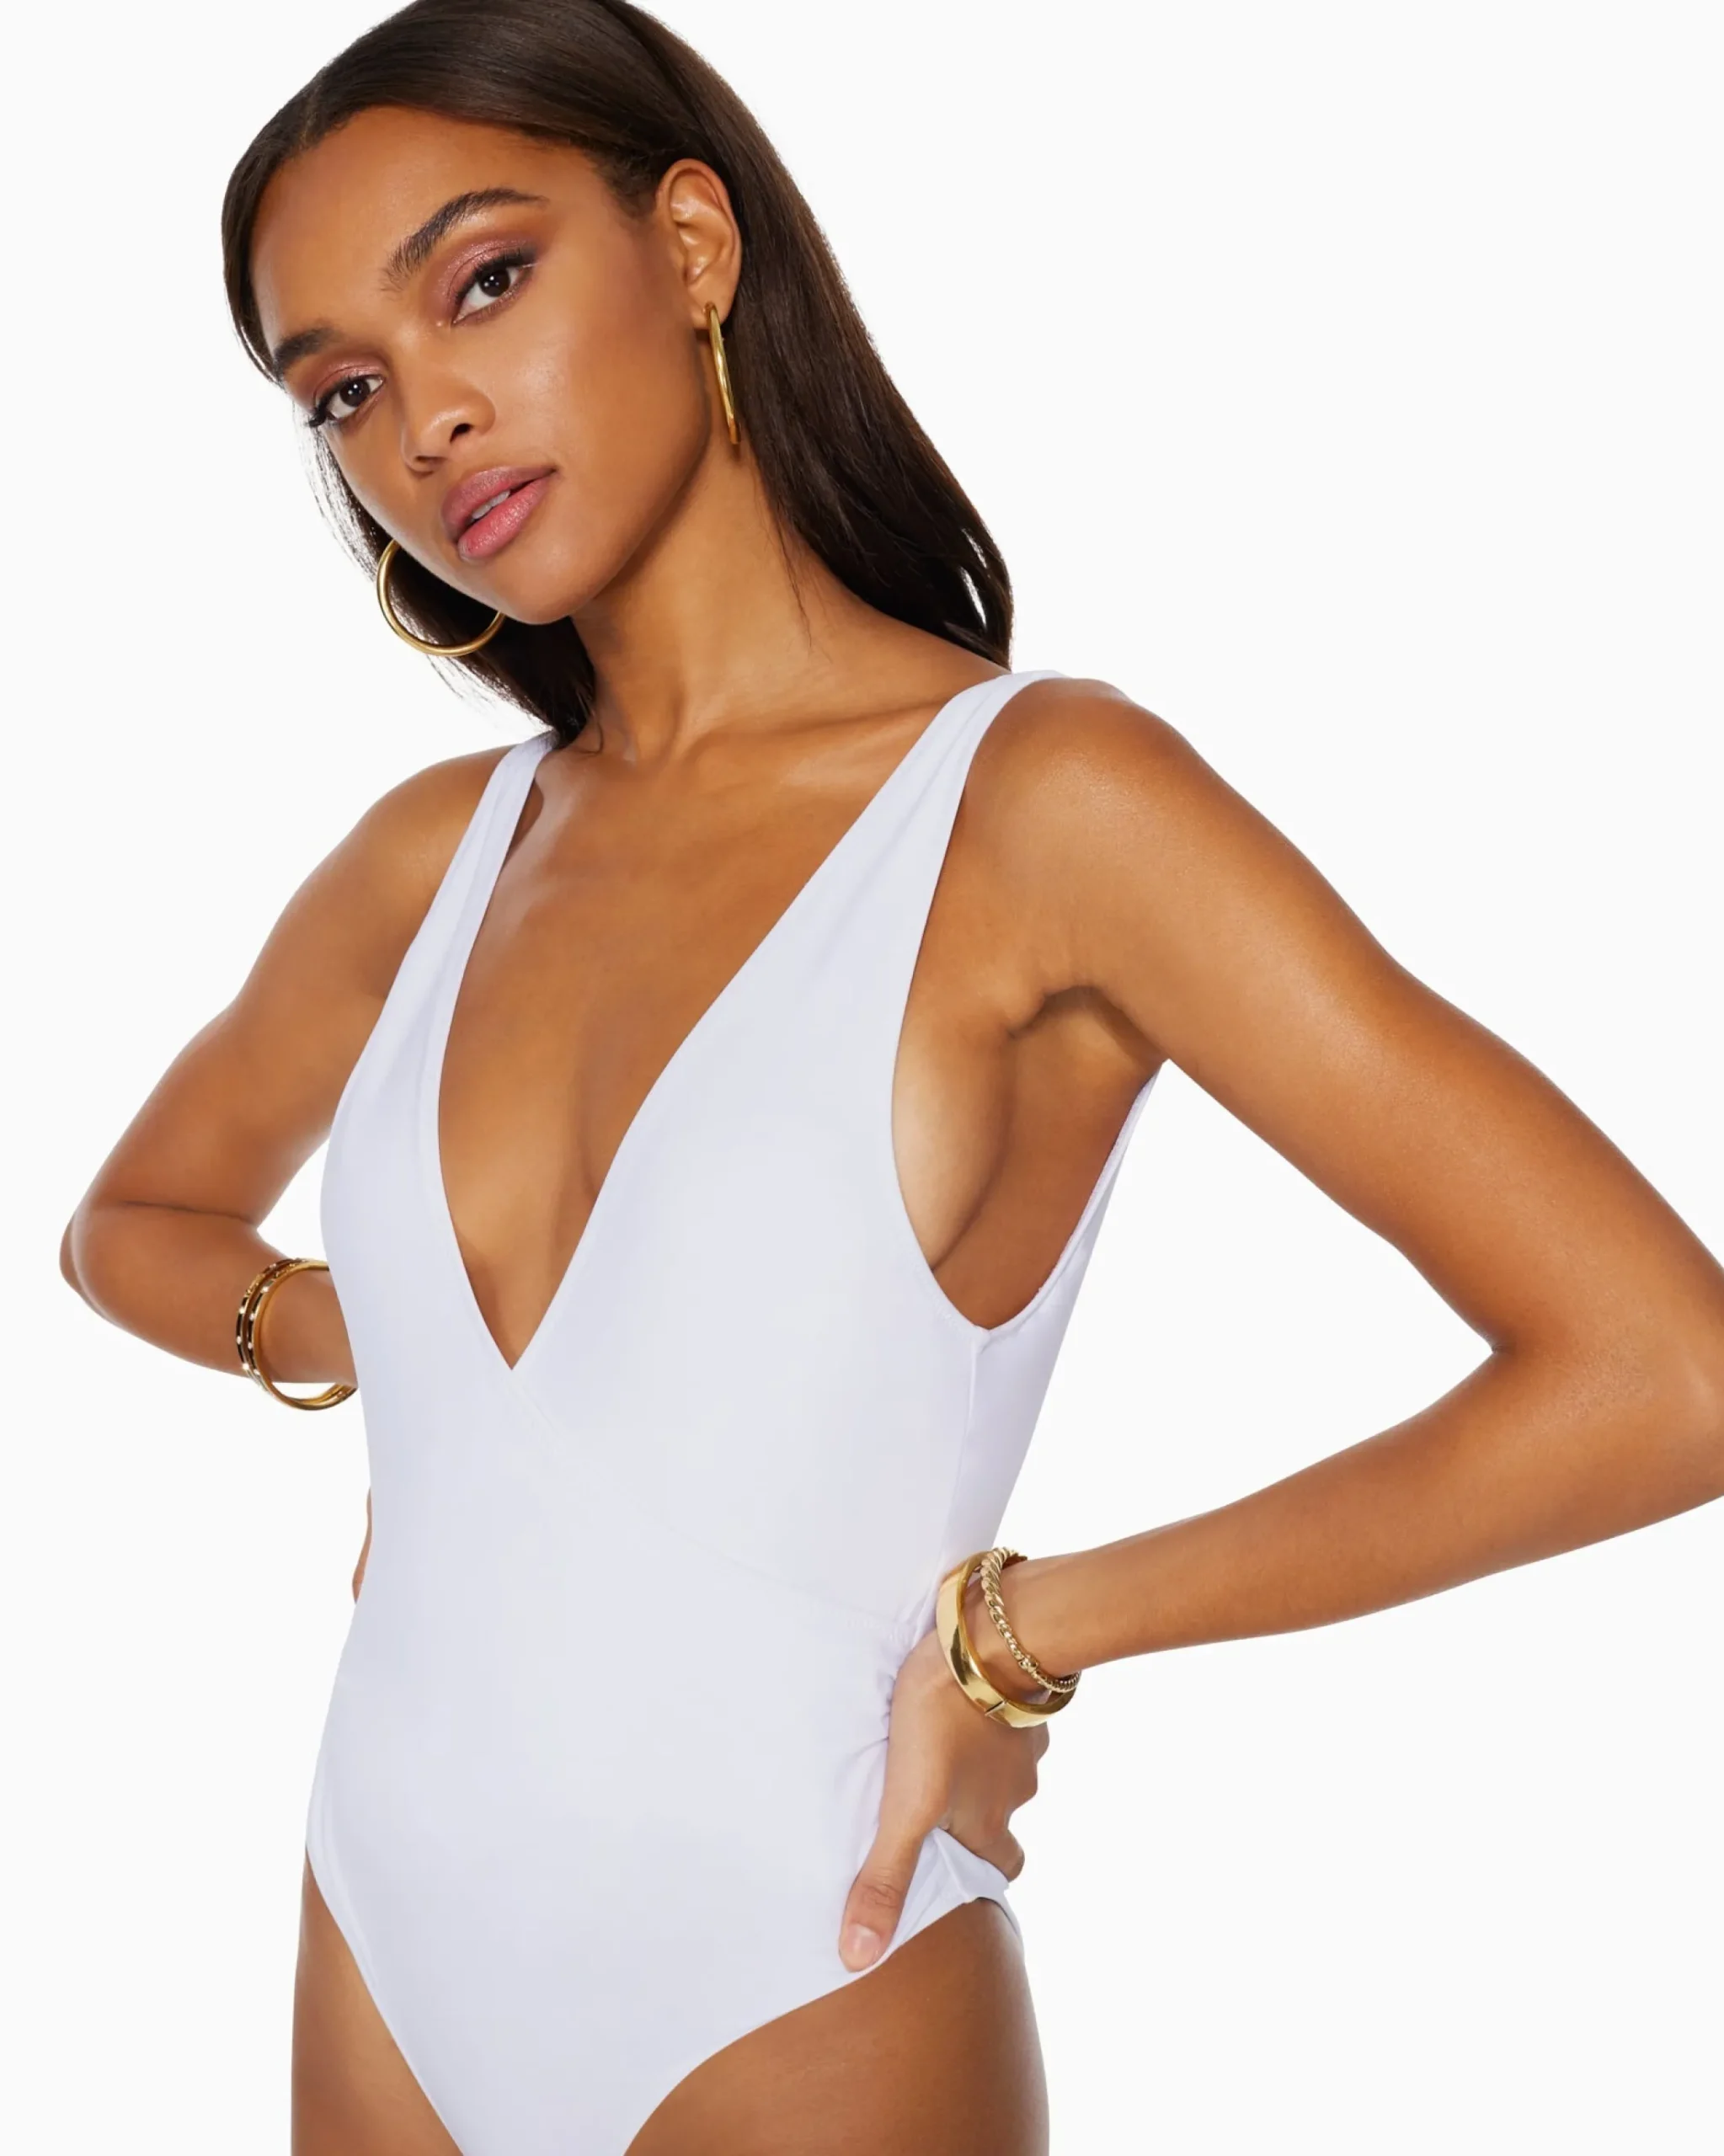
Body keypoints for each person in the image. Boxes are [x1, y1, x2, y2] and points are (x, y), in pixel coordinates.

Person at [58, 2, 1724, 2151]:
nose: (427, 421)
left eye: (484, 280)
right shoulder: (429, 861)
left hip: (800, 1963)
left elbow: (1665, 1368)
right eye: (345, 391)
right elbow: (126, 1226)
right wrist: (351, 1326)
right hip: (377, 1933)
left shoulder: (1042, 808)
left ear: (691, 243)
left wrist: (1035, 1625)